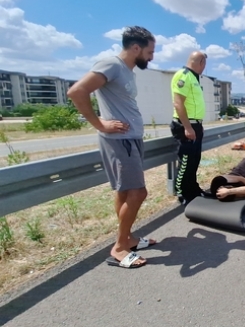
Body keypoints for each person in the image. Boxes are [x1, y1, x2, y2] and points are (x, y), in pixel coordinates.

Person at [67, 26, 156, 269]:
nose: (152, 56)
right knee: (139, 193)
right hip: (119, 142)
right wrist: (99, 124)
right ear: (135, 47)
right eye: (150, 51)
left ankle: (128, 238)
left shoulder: (127, 72)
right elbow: (77, 91)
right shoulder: (112, 64)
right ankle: (119, 247)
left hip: (130, 140)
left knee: (124, 192)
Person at [170, 51, 210, 206]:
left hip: (195, 124)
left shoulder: (194, 78)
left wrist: (197, 126)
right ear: (200, 62)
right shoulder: (183, 75)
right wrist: (187, 127)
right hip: (185, 124)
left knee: (195, 160)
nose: (204, 67)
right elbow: (178, 103)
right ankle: (182, 192)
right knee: (186, 161)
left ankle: (193, 189)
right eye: (204, 64)